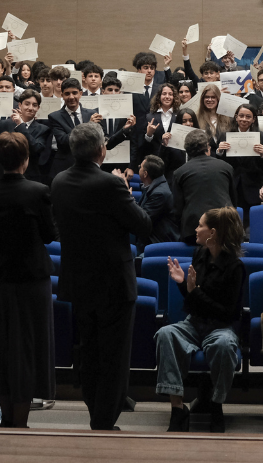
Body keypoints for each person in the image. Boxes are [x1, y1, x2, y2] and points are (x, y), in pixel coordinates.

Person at [50, 123, 151, 431]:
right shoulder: (111, 184)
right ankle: (104, 422)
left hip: (78, 280)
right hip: (113, 283)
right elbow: (143, 226)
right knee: (114, 356)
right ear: (101, 150)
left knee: (90, 352)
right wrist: (128, 193)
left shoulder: (58, 181)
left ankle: (97, 414)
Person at [0, 132, 57, 428]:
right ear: (26, 159)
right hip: (33, 278)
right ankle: (20, 424)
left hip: (1, 277)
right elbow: (50, 236)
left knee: (3, 346)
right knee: (28, 347)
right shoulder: (38, 191)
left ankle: (6, 420)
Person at [155, 207, 245, 433]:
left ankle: (216, 405)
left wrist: (194, 291)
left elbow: (228, 313)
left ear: (213, 233)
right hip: (193, 323)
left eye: (200, 225)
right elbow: (193, 301)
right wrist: (182, 284)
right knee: (165, 334)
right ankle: (177, 409)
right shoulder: (199, 255)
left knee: (224, 346)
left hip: (220, 326)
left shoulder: (235, 267)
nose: (196, 229)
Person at [173, 130, 237, 244]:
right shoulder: (226, 167)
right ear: (207, 147)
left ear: (187, 150)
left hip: (193, 230)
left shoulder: (179, 172)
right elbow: (233, 200)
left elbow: (178, 208)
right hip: (224, 226)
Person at [215, 103, 263, 225]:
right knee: (231, 222)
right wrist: (219, 151)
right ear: (236, 117)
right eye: (241, 116)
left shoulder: (261, 136)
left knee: (250, 223)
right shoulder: (224, 135)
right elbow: (218, 164)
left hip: (252, 186)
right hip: (231, 185)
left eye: (248, 116)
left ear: (253, 119)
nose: (244, 119)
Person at [132, 155, 179, 250]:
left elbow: (142, 220)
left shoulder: (159, 193)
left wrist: (127, 197)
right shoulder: (154, 186)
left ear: (145, 174)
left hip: (157, 243)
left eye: (140, 167)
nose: (139, 169)